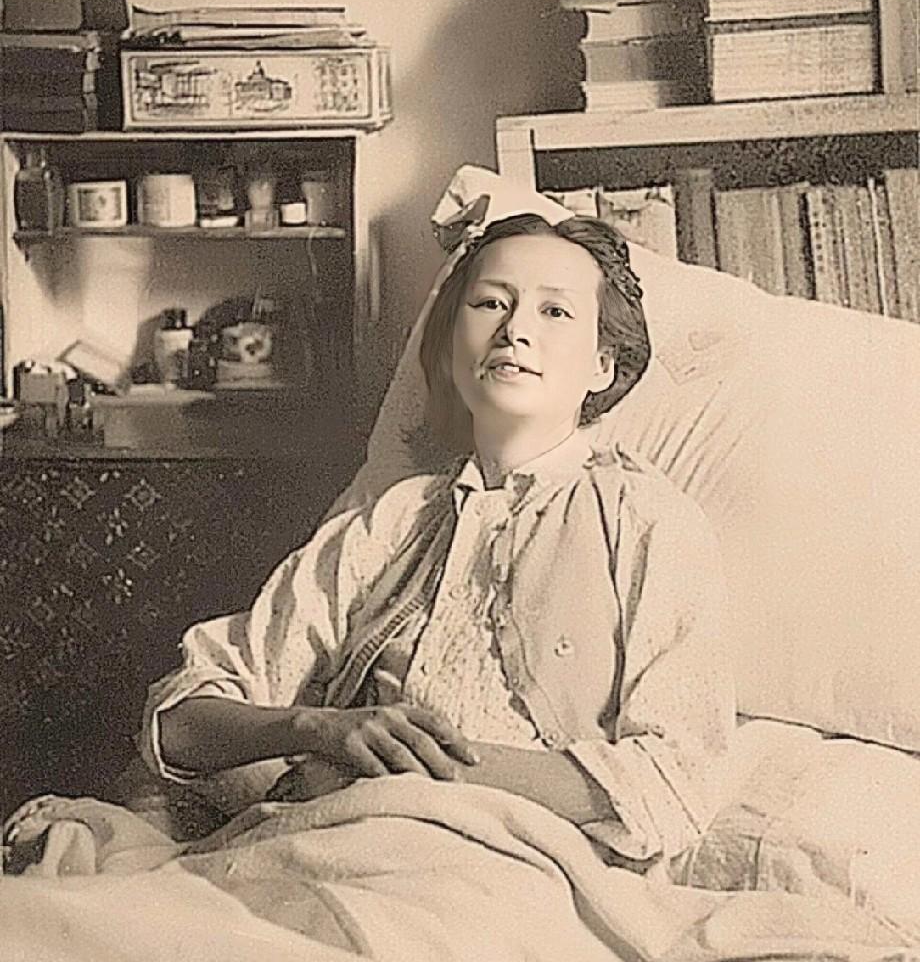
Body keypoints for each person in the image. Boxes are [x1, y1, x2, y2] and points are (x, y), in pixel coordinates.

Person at [145, 214, 735, 868]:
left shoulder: (646, 521)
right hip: (332, 850)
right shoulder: (392, 522)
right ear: (456, 347)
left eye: (555, 312)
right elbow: (178, 723)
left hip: (516, 874)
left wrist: (396, 778)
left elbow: (675, 778)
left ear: (603, 364)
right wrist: (319, 729)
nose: (516, 330)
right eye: (491, 304)